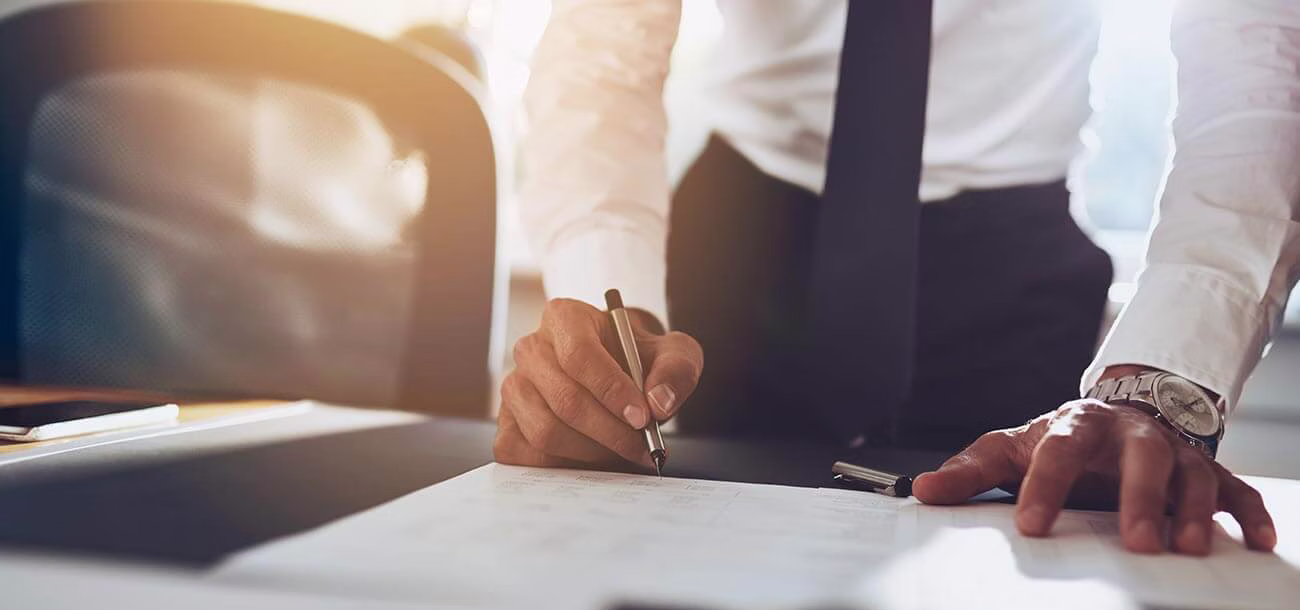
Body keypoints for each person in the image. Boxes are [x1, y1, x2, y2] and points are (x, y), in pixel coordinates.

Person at [496, 0, 1299, 556]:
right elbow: (603, 51)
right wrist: (609, 303)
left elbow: (1259, 57)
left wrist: (1163, 384)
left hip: (1011, 272)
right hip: (738, 246)